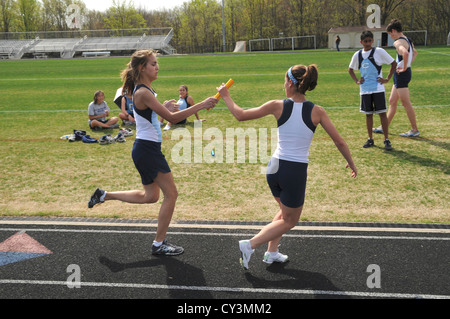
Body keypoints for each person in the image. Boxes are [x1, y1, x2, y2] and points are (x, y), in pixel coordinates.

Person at [217, 64, 357, 270]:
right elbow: (340, 142)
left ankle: (271, 253)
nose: (284, 85)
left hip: (274, 168)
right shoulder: (317, 111)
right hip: (294, 171)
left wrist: (226, 95)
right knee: (290, 221)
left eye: (284, 81)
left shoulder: (277, 105)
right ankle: (250, 245)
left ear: (291, 83)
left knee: (284, 213)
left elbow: (241, 114)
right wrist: (351, 162)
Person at [88, 50, 218, 256]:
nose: (157, 67)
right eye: (153, 64)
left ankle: (104, 195)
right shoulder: (143, 92)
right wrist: (202, 104)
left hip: (145, 149)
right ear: (142, 68)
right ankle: (159, 244)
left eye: (157, 63)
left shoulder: (145, 91)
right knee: (172, 194)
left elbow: (153, 119)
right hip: (147, 150)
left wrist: (163, 107)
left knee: (151, 196)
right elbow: (173, 119)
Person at [348, 31, 397, 150]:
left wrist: (387, 79)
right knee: (368, 115)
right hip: (365, 91)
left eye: (370, 41)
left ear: (373, 41)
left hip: (378, 89)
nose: (368, 43)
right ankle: (370, 139)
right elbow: (350, 70)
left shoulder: (379, 51)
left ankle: (386, 139)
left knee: (382, 114)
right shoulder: (357, 55)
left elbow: (393, 63)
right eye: (365, 41)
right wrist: (357, 81)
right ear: (361, 42)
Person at [373, 19, 419, 137]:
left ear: (393, 30)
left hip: (401, 74)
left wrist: (404, 68)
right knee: (392, 101)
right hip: (403, 73)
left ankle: (414, 130)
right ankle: (384, 126)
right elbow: (415, 53)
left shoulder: (398, 42)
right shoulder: (408, 39)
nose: (390, 37)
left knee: (405, 103)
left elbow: (406, 53)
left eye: (390, 34)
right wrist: (407, 65)